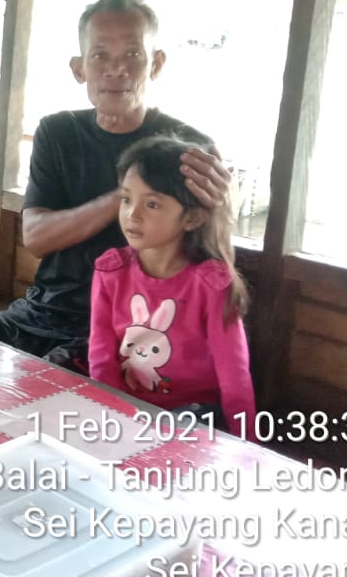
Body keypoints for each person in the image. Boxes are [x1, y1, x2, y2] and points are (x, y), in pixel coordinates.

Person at [0, 0, 231, 372]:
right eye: (100, 55)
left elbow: (211, 261)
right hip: (41, 314)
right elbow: (37, 237)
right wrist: (124, 195)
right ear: (78, 68)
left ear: (156, 64)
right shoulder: (58, 132)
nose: (115, 69)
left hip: (136, 331)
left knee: (52, 383)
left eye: (133, 55)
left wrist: (221, 208)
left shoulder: (187, 149)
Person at [89, 135, 255, 433]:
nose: (132, 214)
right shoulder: (110, 271)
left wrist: (249, 448)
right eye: (126, 199)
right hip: (124, 408)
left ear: (191, 219)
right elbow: (101, 358)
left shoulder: (211, 285)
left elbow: (235, 376)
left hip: (193, 414)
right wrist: (113, 417)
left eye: (152, 204)